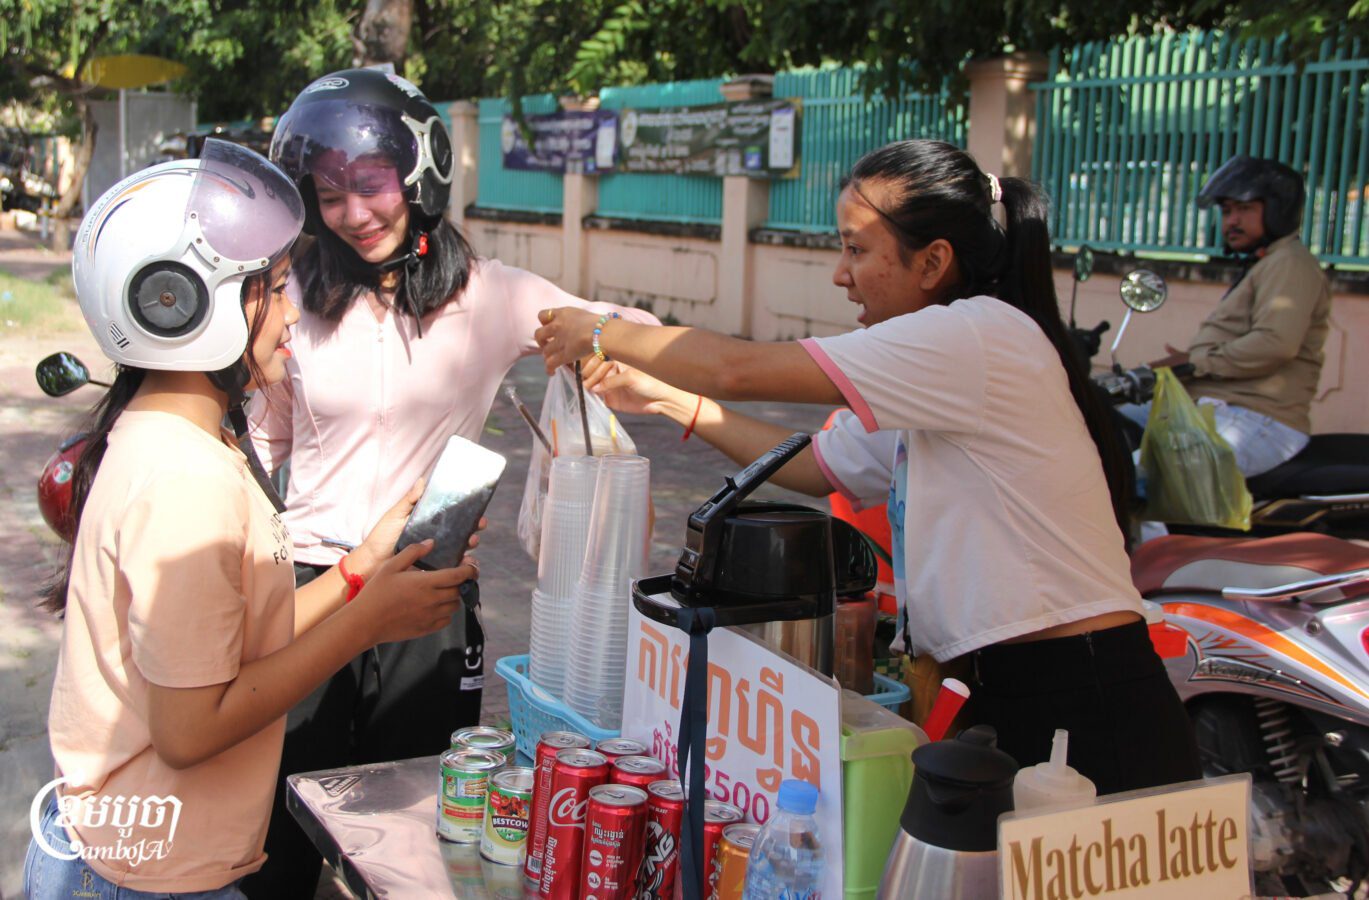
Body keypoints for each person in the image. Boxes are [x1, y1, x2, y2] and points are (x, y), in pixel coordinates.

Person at [536, 140, 1201, 795]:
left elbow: (735, 366)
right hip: (1005, 687)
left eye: (856, 249)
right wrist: (660, 396)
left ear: (933, 260)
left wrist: (598, 329)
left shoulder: (970, 336)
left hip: (1081, 701)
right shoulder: (937, 364)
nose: (839, 272)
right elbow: (819, 467)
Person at [244, 67, 660, 896]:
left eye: (370, 184)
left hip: (425, 596)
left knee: (409, 830)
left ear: (419, 174)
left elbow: (635, 337)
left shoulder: (492, 294)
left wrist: (602, 344)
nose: (353, 213)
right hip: (309, 589)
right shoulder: (296, 295)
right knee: (277, 831)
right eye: (329, 194)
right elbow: (267, 435)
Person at [24, 142, 476, 897]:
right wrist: (364, 629)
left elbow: (231, 645)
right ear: (184, 303)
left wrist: (363, 565)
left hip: (139, 853)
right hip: (151, 874)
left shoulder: (182, 438)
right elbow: (190, 728)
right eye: (272, 289)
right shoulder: (185, 480)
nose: (293, 312)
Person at [1147, 155, 1331, 477]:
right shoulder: (1264, 263)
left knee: (1145, 477)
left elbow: (1275, 343)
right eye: (1227, 210)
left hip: (1259, 419)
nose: (1231, 220)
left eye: (1244, 209)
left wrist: (1195, 363)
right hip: (1223, 408)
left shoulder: (1289, 263)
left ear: (1277, 210)